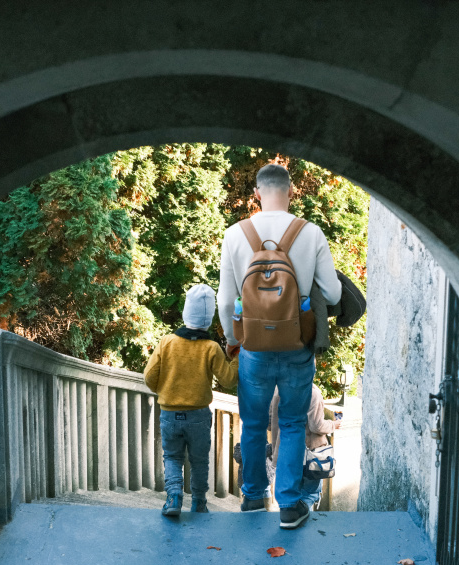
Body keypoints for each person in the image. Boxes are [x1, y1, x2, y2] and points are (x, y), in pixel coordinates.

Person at [217, 163, 342, 529]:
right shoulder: (311, 232)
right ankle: (289, 505)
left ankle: (254, 497)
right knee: (290, 423)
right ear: (291, 191)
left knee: (253, 424)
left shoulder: (235, 234)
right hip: (296, 346)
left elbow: (226, 301)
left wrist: (231, 340)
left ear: (257, 193)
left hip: (253, 347)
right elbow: (333, 293)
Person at [144, 284, 239, 517]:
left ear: (186, 313)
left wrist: (166, 391)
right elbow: (228, 380)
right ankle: (199, 503)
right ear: (208, 318)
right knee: (199, 461)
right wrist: (237, 357)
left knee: (173, 457)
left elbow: (149, 377)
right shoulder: (211, 347)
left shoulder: (167, 342)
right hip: (198, 415)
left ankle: (174, 497)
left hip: (169, 414)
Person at [267, 384, 341, 510]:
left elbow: (269, 423)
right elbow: (316, 426)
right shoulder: (312, 393)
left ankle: (288, 519)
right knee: (310, 494)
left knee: (291, 493)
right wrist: (333, 424)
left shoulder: (278, 389)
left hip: (287, 451)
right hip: (310, 454)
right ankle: (298, 521)